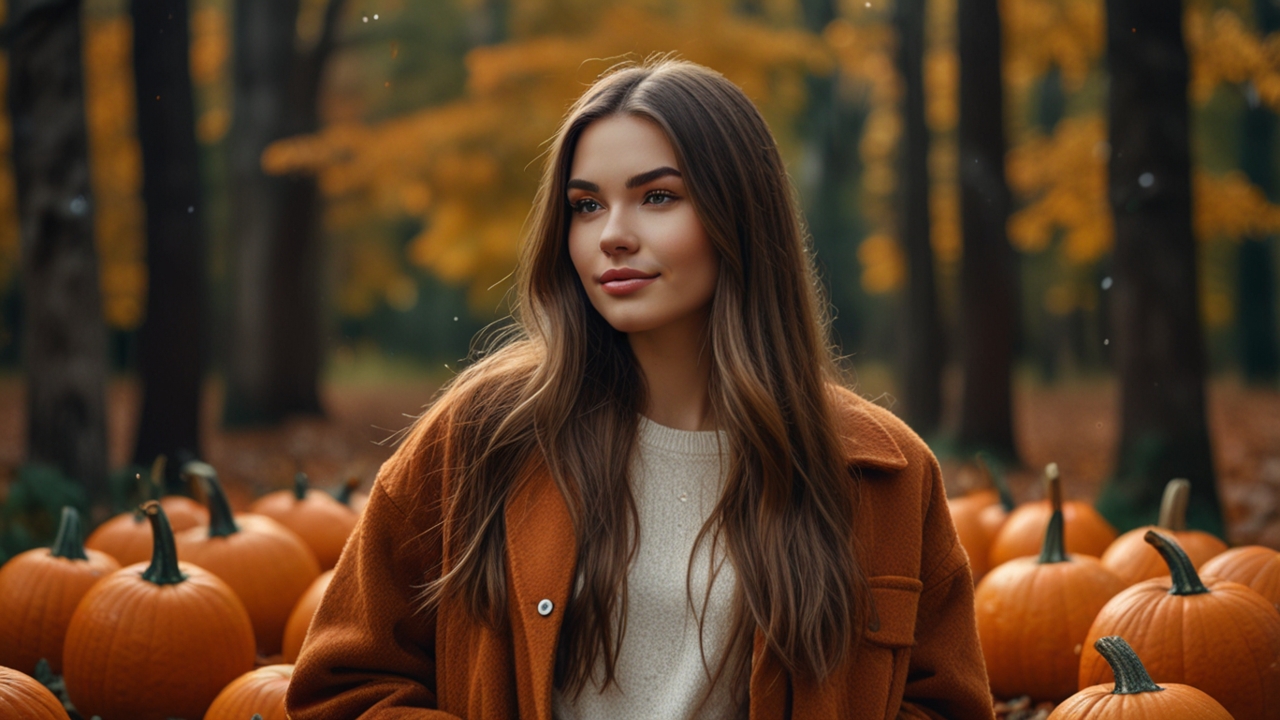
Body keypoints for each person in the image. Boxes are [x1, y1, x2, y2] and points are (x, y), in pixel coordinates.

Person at [287, 58, 994, 720]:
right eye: (587, 206)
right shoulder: (483, 436)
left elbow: (944, 706)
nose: (613, 236)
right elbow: (344, 686)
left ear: (739, 218)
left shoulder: (884, 474)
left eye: (658, 197)